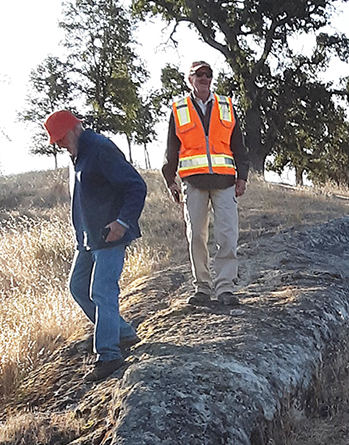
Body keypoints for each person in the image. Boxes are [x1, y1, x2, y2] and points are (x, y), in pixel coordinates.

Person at [44, 109, 147, 382]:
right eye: (56, 141)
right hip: (88, 239)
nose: (60, 144)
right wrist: (80, 235)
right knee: (78, 287)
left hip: (110, 235)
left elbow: (136, 185)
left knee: (102, 291)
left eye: (62, 137)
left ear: (75, 128)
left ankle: (109, 355)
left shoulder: (100, 149)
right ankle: (122, 333)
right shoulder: (76, 155)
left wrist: (123, 222)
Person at [161, 60, 249, 307]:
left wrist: (242, 177)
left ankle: (225, 287)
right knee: (196, 236)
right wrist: (171, 180)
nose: (204, 78)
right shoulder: (179, 109)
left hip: (225, 181)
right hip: (194, 183)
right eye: (198, 75)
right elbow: (172, 149)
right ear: (190, 79)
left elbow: (239, 146)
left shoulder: (227, 106)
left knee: (228, 235)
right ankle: (202, 287)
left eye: (208, 74)